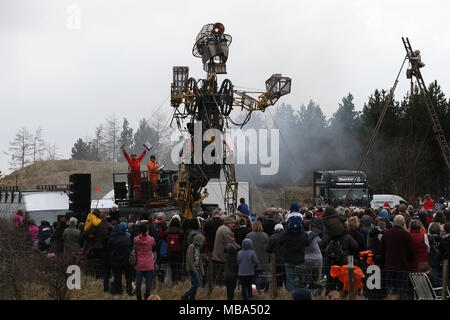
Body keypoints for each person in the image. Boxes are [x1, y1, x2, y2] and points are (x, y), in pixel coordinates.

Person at [380, 215, 414, 299]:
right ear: (403, 223)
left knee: (390, 289)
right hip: (402, 266)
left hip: (390, 264)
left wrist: (387, 258)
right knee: (402, 289)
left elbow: (382, 249)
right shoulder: (406, 235)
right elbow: (411, 252)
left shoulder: (386, 234)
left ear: (394, 222)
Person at [212, 215, 240, 286]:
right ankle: (222, 288)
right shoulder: (227, 231)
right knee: (222, 276)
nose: (234, 225)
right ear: (229, 223)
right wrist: (239, 247)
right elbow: (231, 243)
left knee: (218, 275)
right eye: (233, 223)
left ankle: (217, 287)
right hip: (222, 256)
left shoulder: (221, 228)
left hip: (217, 255)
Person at [108, 223, 132, 296]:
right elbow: (130, 246)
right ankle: (128, 291)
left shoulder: (111, 239)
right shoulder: (127, 238)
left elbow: (109, 248)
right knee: (128, 276)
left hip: (115, 260)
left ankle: (118, 291)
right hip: (126, 260)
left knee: (117, 277)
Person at [246, 220, 269, 292]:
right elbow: (268, 247)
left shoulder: (249, 235)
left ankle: (254, 291)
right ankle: (260, 290)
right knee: (260, 276)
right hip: (262, 260)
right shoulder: (265, 235)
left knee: (252, 278)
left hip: (251, 260)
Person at [134, 223, 155, 300]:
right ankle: (147, 297)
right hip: (149, 264)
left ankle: (139, 297)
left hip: (139, 264)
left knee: (138, 282)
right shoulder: (151, 240)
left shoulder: (136, 240)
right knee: (148, 283)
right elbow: (153, 244)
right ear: (147, 231)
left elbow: (135, 242)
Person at [182, 233, 205, 300]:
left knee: (194, 284)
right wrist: (194, 270)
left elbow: (200, 260)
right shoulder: (191, 247)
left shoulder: (198, 248)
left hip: (196, 269)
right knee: (196, 284)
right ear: (198, 240)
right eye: (202, 241)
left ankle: (192, 297)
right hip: (191, 269)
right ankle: (185, 295)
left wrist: (202, 270)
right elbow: (190, 259)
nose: (203, 243)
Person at [163, 216, 184, 283]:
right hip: (178, 252)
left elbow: (165, 239)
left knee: (171, 268)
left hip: (170, 252)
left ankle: (171, 281)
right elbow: (182, 241)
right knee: (177, 268)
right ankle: (177, 282)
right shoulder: (181, 231)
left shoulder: (167, 231)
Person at [303, 220, 323, 290]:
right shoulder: (314, 235)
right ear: (310, 226)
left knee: (307, 276)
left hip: (306, 258)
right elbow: (321, 243)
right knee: (318, 276)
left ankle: (307, 289)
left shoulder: (302, 235)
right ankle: (317, 290)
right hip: (317, 258)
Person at [266, 223, 286, 289]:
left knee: (278, 278)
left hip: (276, 261)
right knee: (287, 278)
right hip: (287, 260)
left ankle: (279, 292)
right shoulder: (287, 236)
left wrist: (273, 251)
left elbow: (268, 249)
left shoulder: (272, 237)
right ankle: (288, 292)